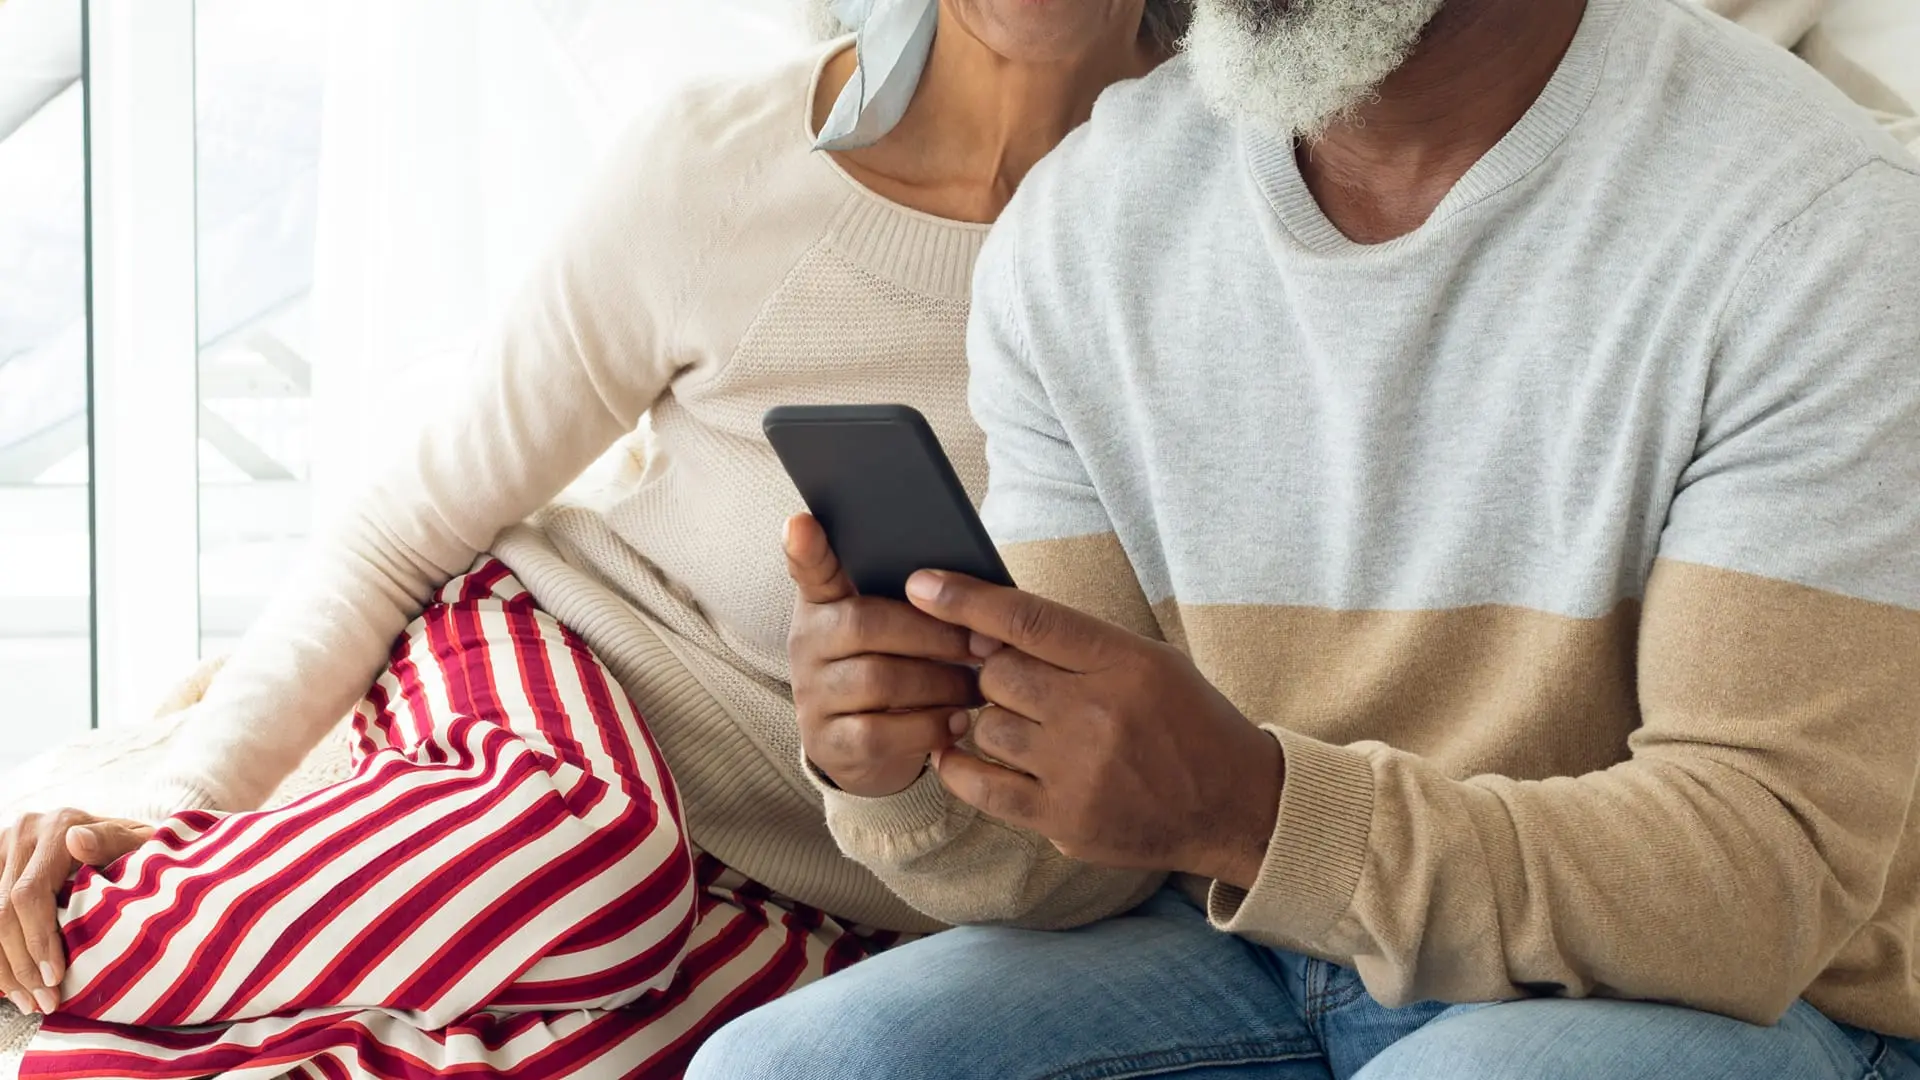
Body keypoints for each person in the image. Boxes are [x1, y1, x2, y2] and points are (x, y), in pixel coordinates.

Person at [689, 0, 1920, 1076]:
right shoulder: (1083, 229)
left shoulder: (1812, 233)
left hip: (1747, 1007)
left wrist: (1257, 813)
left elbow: (1763, 887)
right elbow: (1086, 858)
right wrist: (908, 757)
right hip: (1261, 947)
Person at [0, 1, 1184, 1075]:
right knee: (598, 865)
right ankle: (92, 933)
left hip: (826, 890)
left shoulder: (1221, 227)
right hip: (556, 684)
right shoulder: (724, 167)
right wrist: (182, 808)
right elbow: (399, 530)